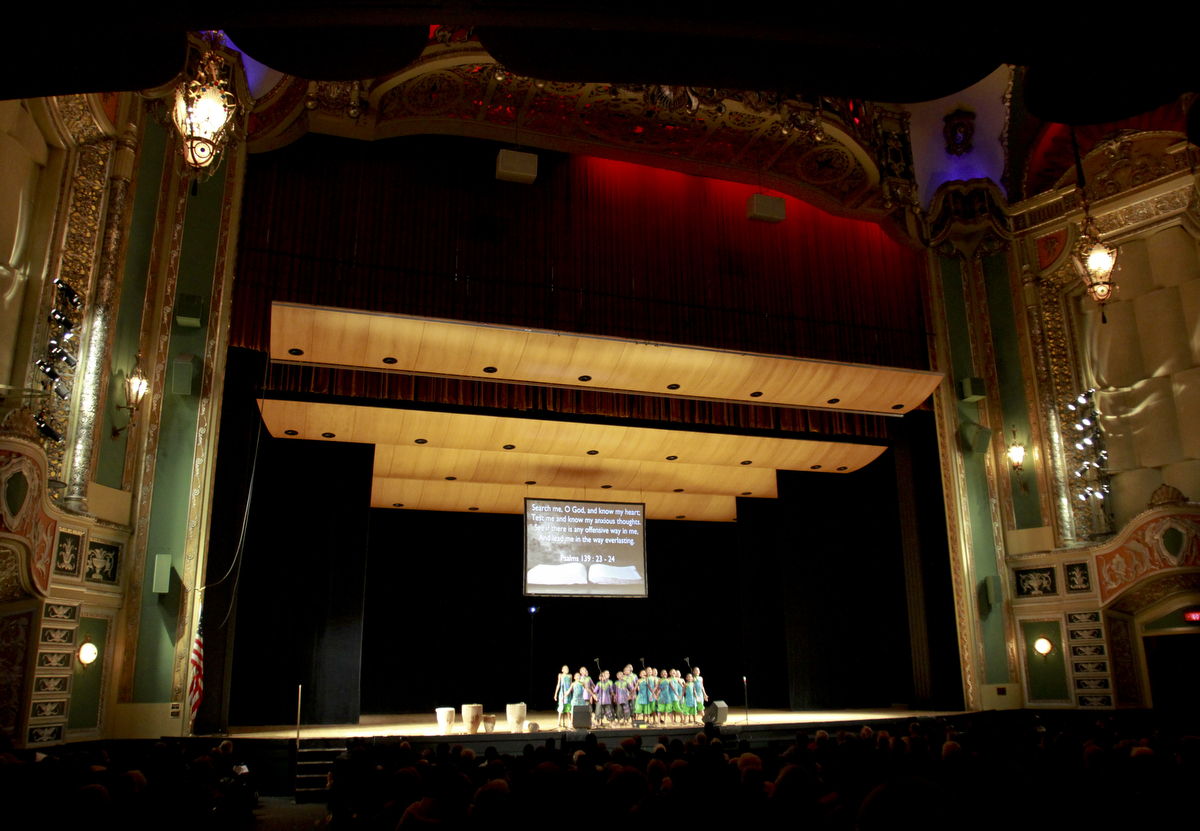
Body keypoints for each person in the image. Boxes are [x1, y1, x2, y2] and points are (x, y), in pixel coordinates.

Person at [554, 664, 572, 729]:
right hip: (562, 693)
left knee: (568, 707)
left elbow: (571, 685)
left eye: (567, 668)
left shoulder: (570, 675)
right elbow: (558, 684)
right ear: (562, 670)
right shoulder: (560, 675)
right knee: (561, 708)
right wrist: (555, 694)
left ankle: (570, 722)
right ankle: (559, 722)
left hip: (568, 693)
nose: (567, 669)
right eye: (565, 668)